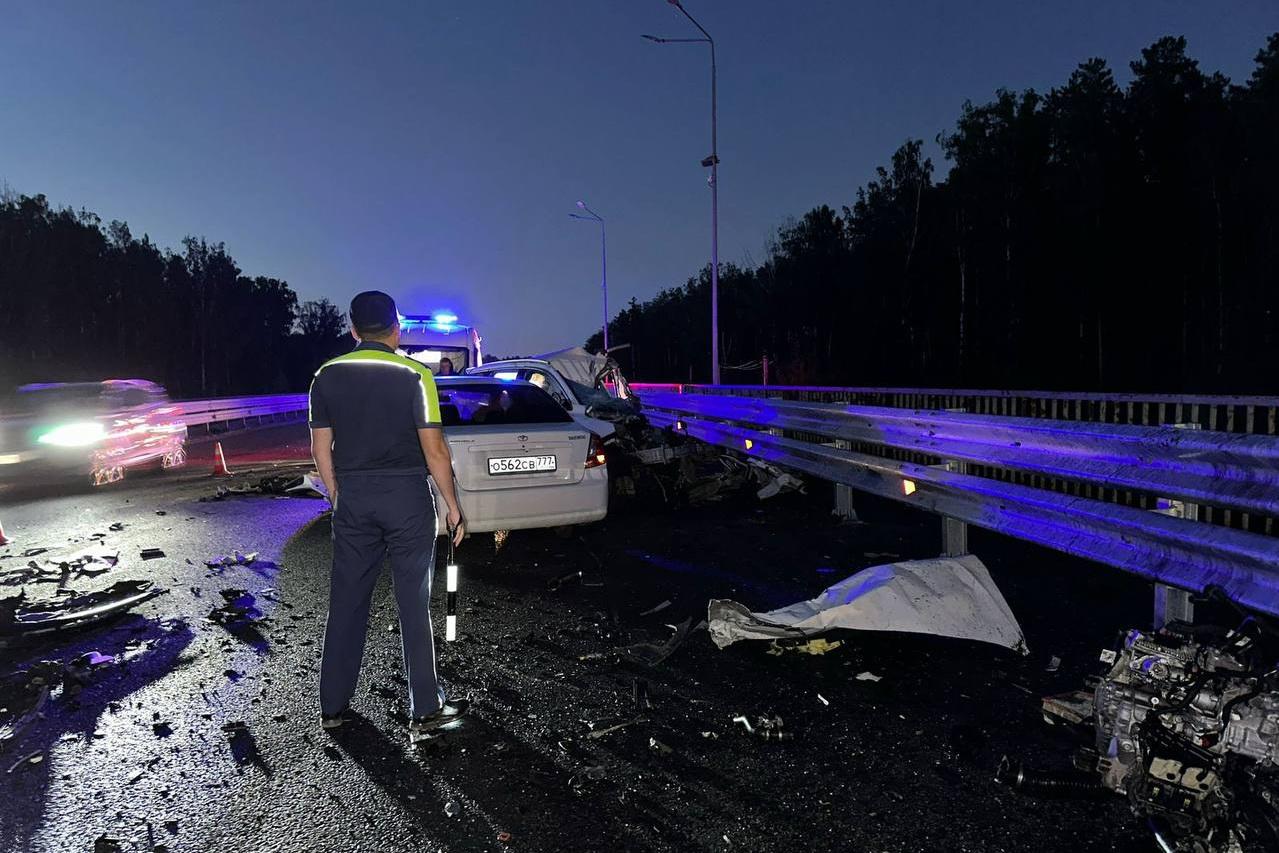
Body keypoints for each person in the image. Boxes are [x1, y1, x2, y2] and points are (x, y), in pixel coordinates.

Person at [308, 290, 468, 736]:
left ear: (353, 329)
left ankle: (333, 705)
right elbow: (434, 450)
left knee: (347, 602)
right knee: (413, 602)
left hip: (355, 497)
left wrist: (337, 491)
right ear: (396, 328)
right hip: (406, 499)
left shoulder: (325, 375)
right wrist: (453, 506)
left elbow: (321, 447)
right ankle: (424, 707)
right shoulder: (416, 375)